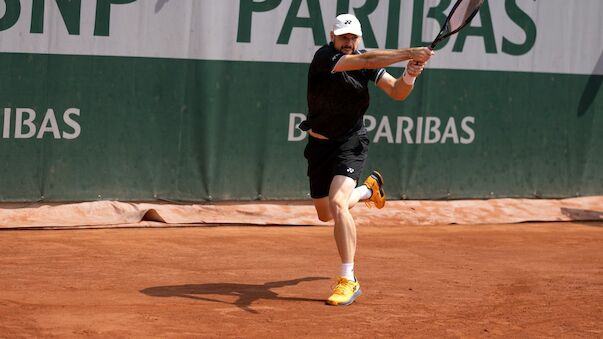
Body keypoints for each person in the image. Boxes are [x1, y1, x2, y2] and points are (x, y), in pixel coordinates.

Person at [300, 14, 434, 306]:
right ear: (332, 37)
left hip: (351, 142)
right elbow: (367, 62)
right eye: (342, 37)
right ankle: (367, 190)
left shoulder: (364, 61)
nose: (347, 42)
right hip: (320, 144)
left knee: (337, 204)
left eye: (352, 37)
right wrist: (409, 53)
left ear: (358, 38)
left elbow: (398, 93)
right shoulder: (325, 57)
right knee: (325, 214)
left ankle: (348, 279)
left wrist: (409, 73)